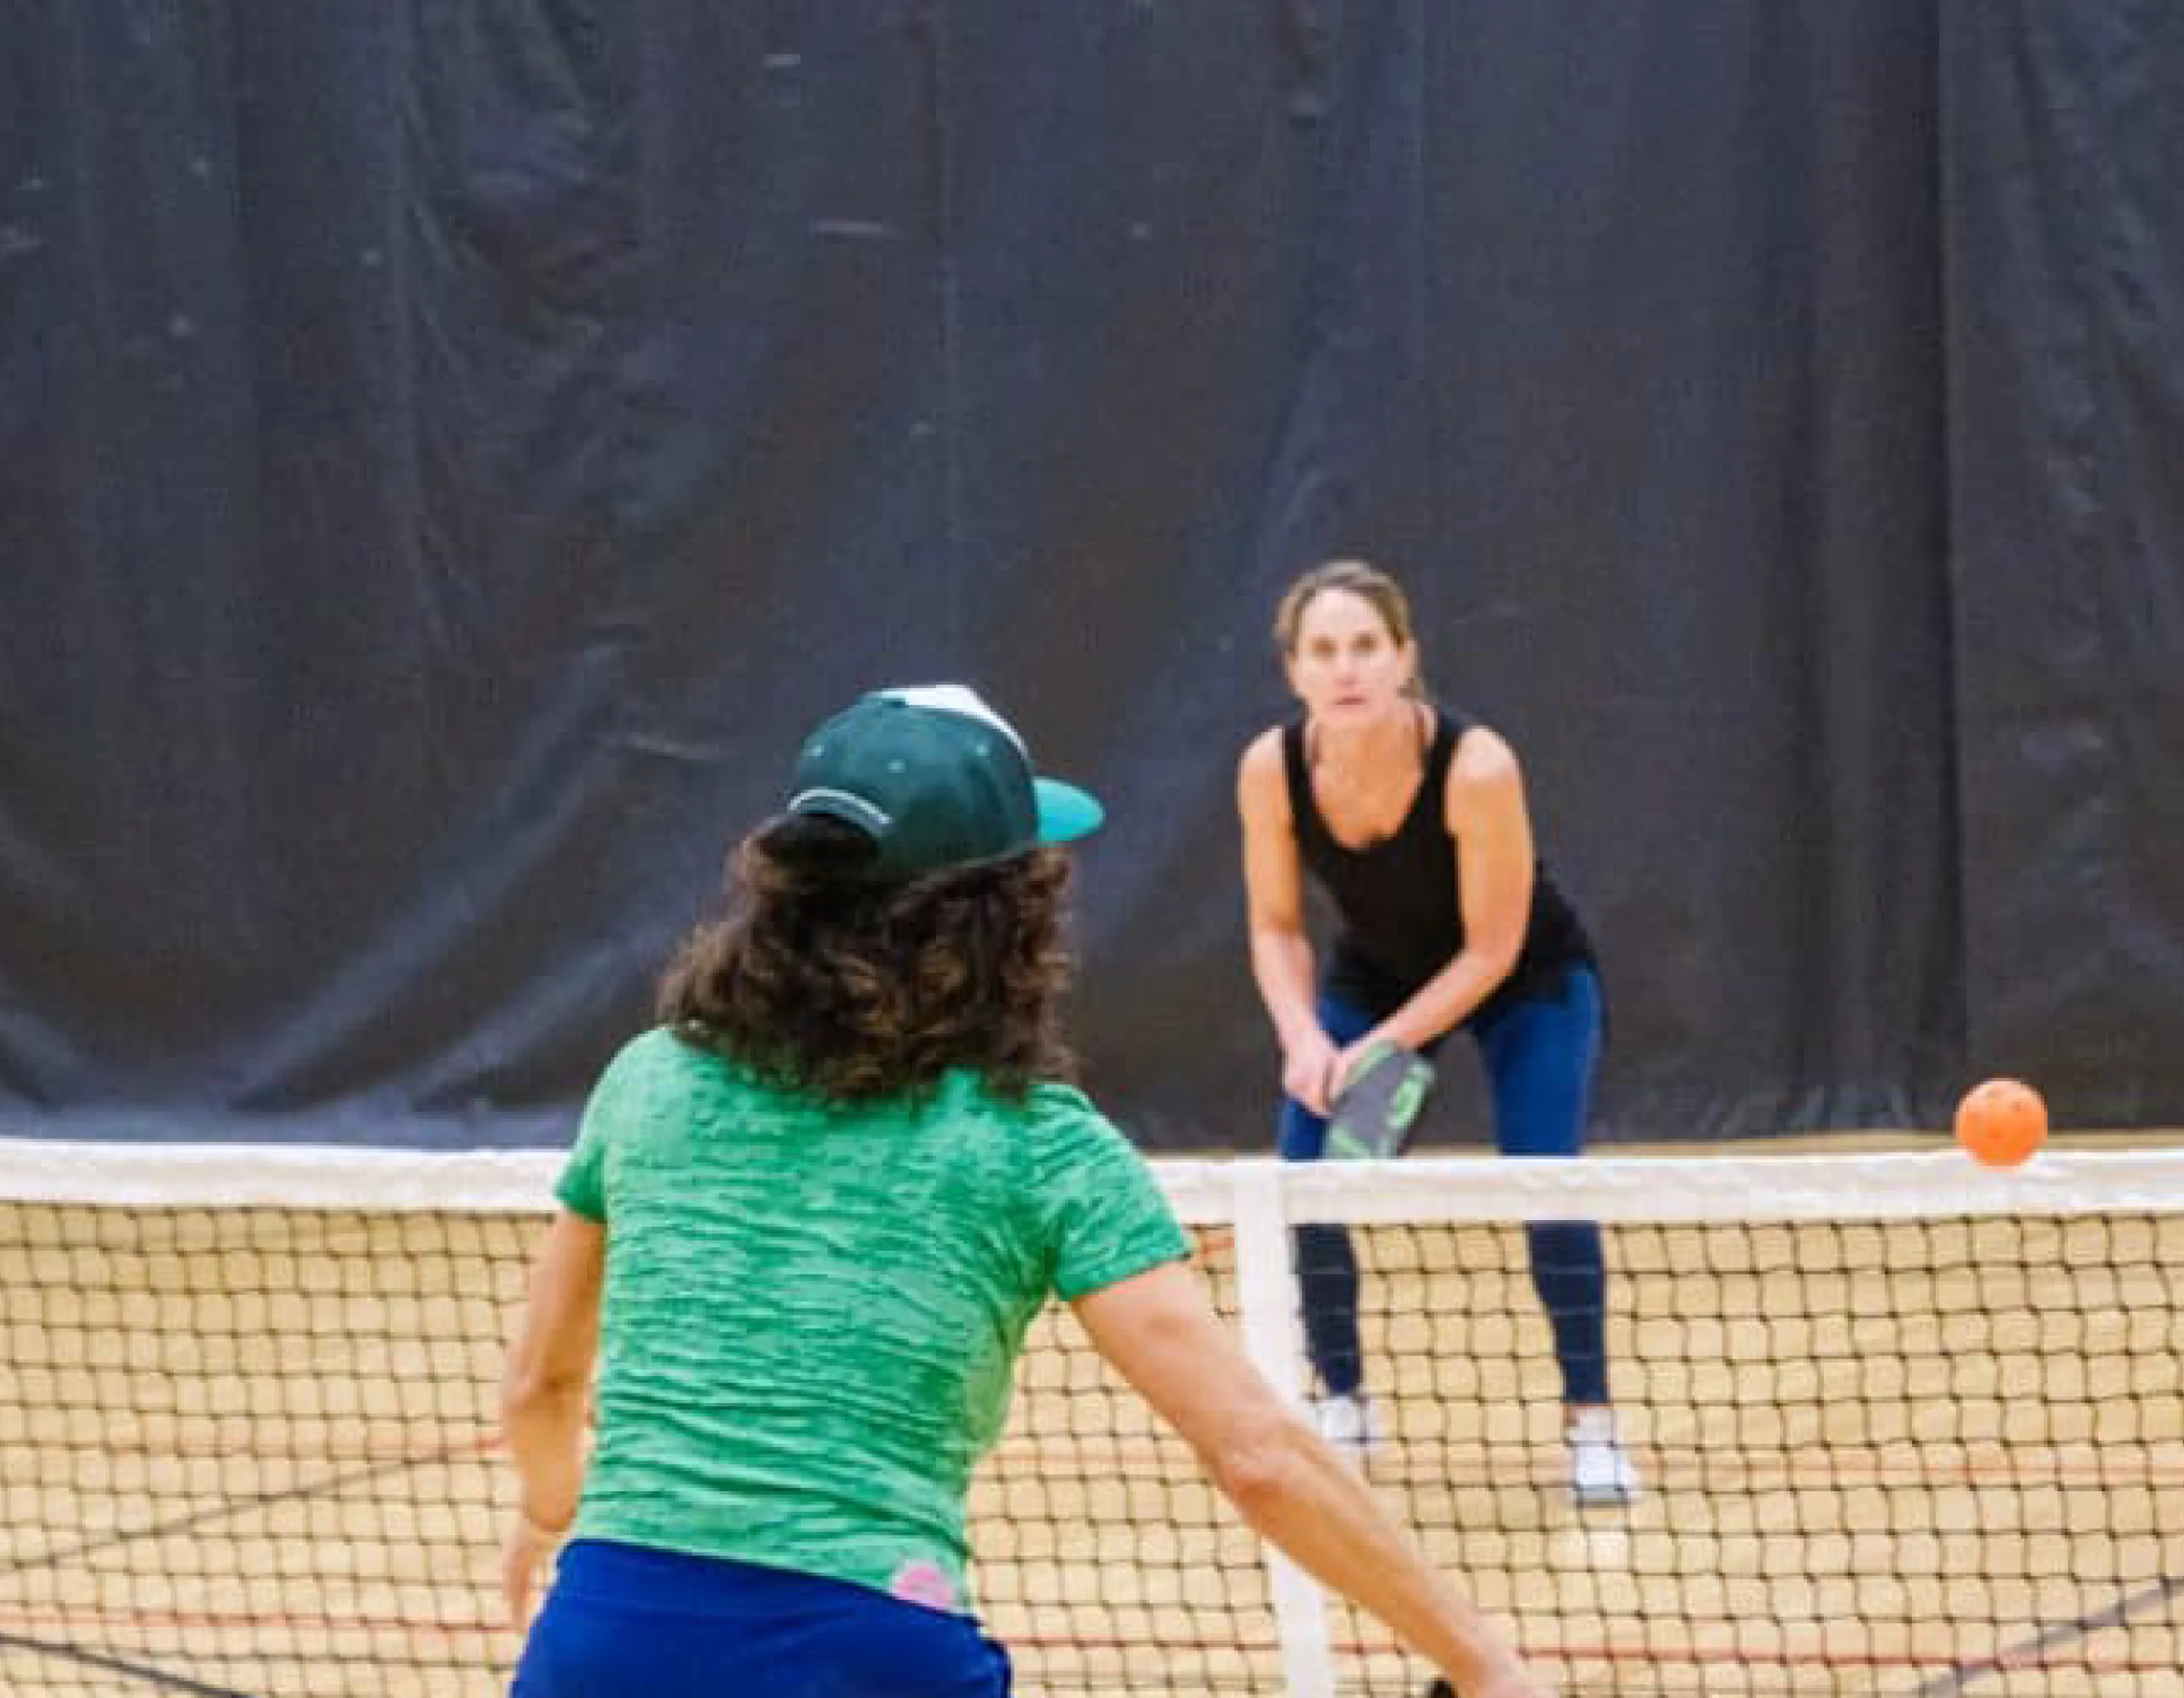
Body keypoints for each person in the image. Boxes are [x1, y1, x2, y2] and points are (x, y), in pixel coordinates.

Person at [500, 684, 1547, 1697]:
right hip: (871, 1653)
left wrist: (575, 1520)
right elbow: (1259, 1456)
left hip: (602, 1640)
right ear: (1000, 915)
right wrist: (1482, 1665)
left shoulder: (648, 1081)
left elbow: (539, 1391)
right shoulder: (1041, 1145)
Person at [1236, 560, 1635, 1505]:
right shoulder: (1273, 768)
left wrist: (1382, 1049)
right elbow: (1276, 926)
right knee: (1307, 1185)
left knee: (1546, 1182)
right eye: (1324, 651)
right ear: (1295, 671)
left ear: (1404, 656)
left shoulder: (1477, 765)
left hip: (1526, 983)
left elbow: (1491, 950)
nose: (1347, 670)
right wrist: (1303, 1037)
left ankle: (1593, 1426)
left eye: (1366, 646)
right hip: (1375, 978)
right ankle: (1343, 1401)